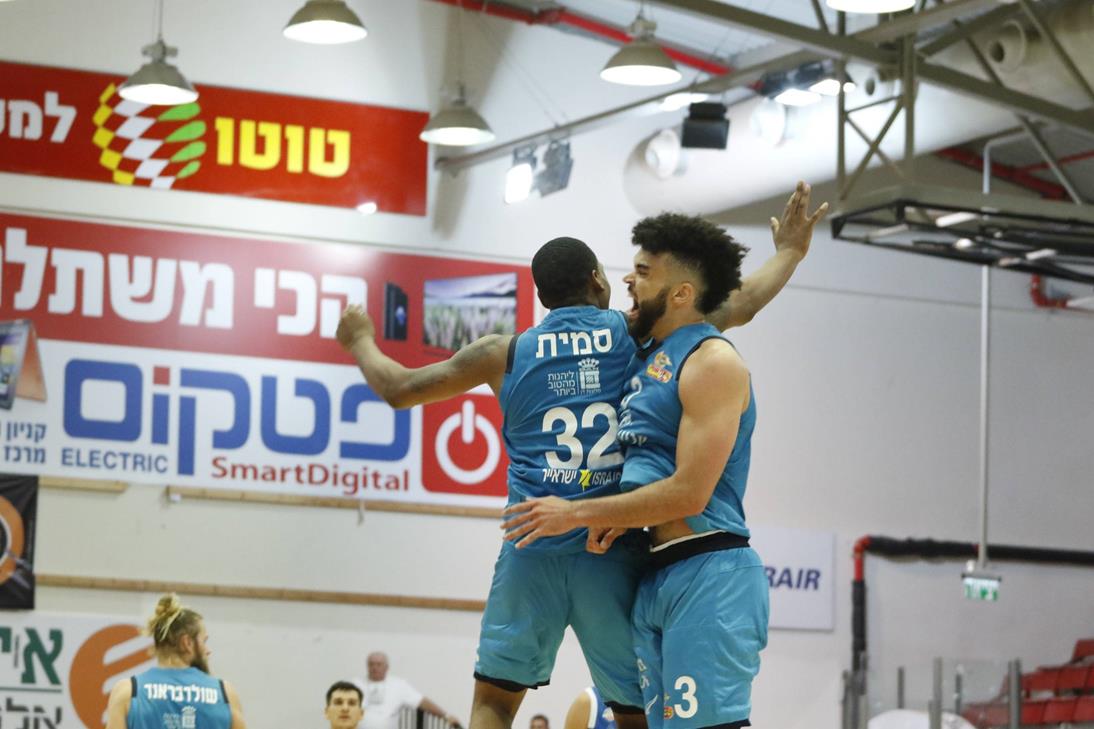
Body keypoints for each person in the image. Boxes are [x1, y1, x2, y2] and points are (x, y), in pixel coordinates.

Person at [336, 183, 823, 729]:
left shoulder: (502, 352)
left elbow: (399, 389)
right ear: (597, 281)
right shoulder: (637, 334)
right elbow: (738, 303)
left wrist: (360, 340)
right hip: (610, 544)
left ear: (542, 295)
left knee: (494, 701)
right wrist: (788, 253)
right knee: (637, 713)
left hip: (532, 541)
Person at [501, 189, 828, 729]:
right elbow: (742, 301)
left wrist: (577, 512)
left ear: (680, 292)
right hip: (656, 571)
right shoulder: (647, 350)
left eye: (643, 272)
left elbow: (688, 494)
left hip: (709, 567)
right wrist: (788, 253)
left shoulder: (712, 360)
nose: (628, 281)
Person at [104, 593, 247, 729]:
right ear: (187, 643)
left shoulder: (128, 691)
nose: (208, 650)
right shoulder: (224, 694)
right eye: (204, 641)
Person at [352, 652, 461, 729]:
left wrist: (446, 716)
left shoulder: (398, 685)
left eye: (379, 664)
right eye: (371, 664)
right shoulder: (355, 684)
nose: (374, 667)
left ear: (386, 667)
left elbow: (422, 701)